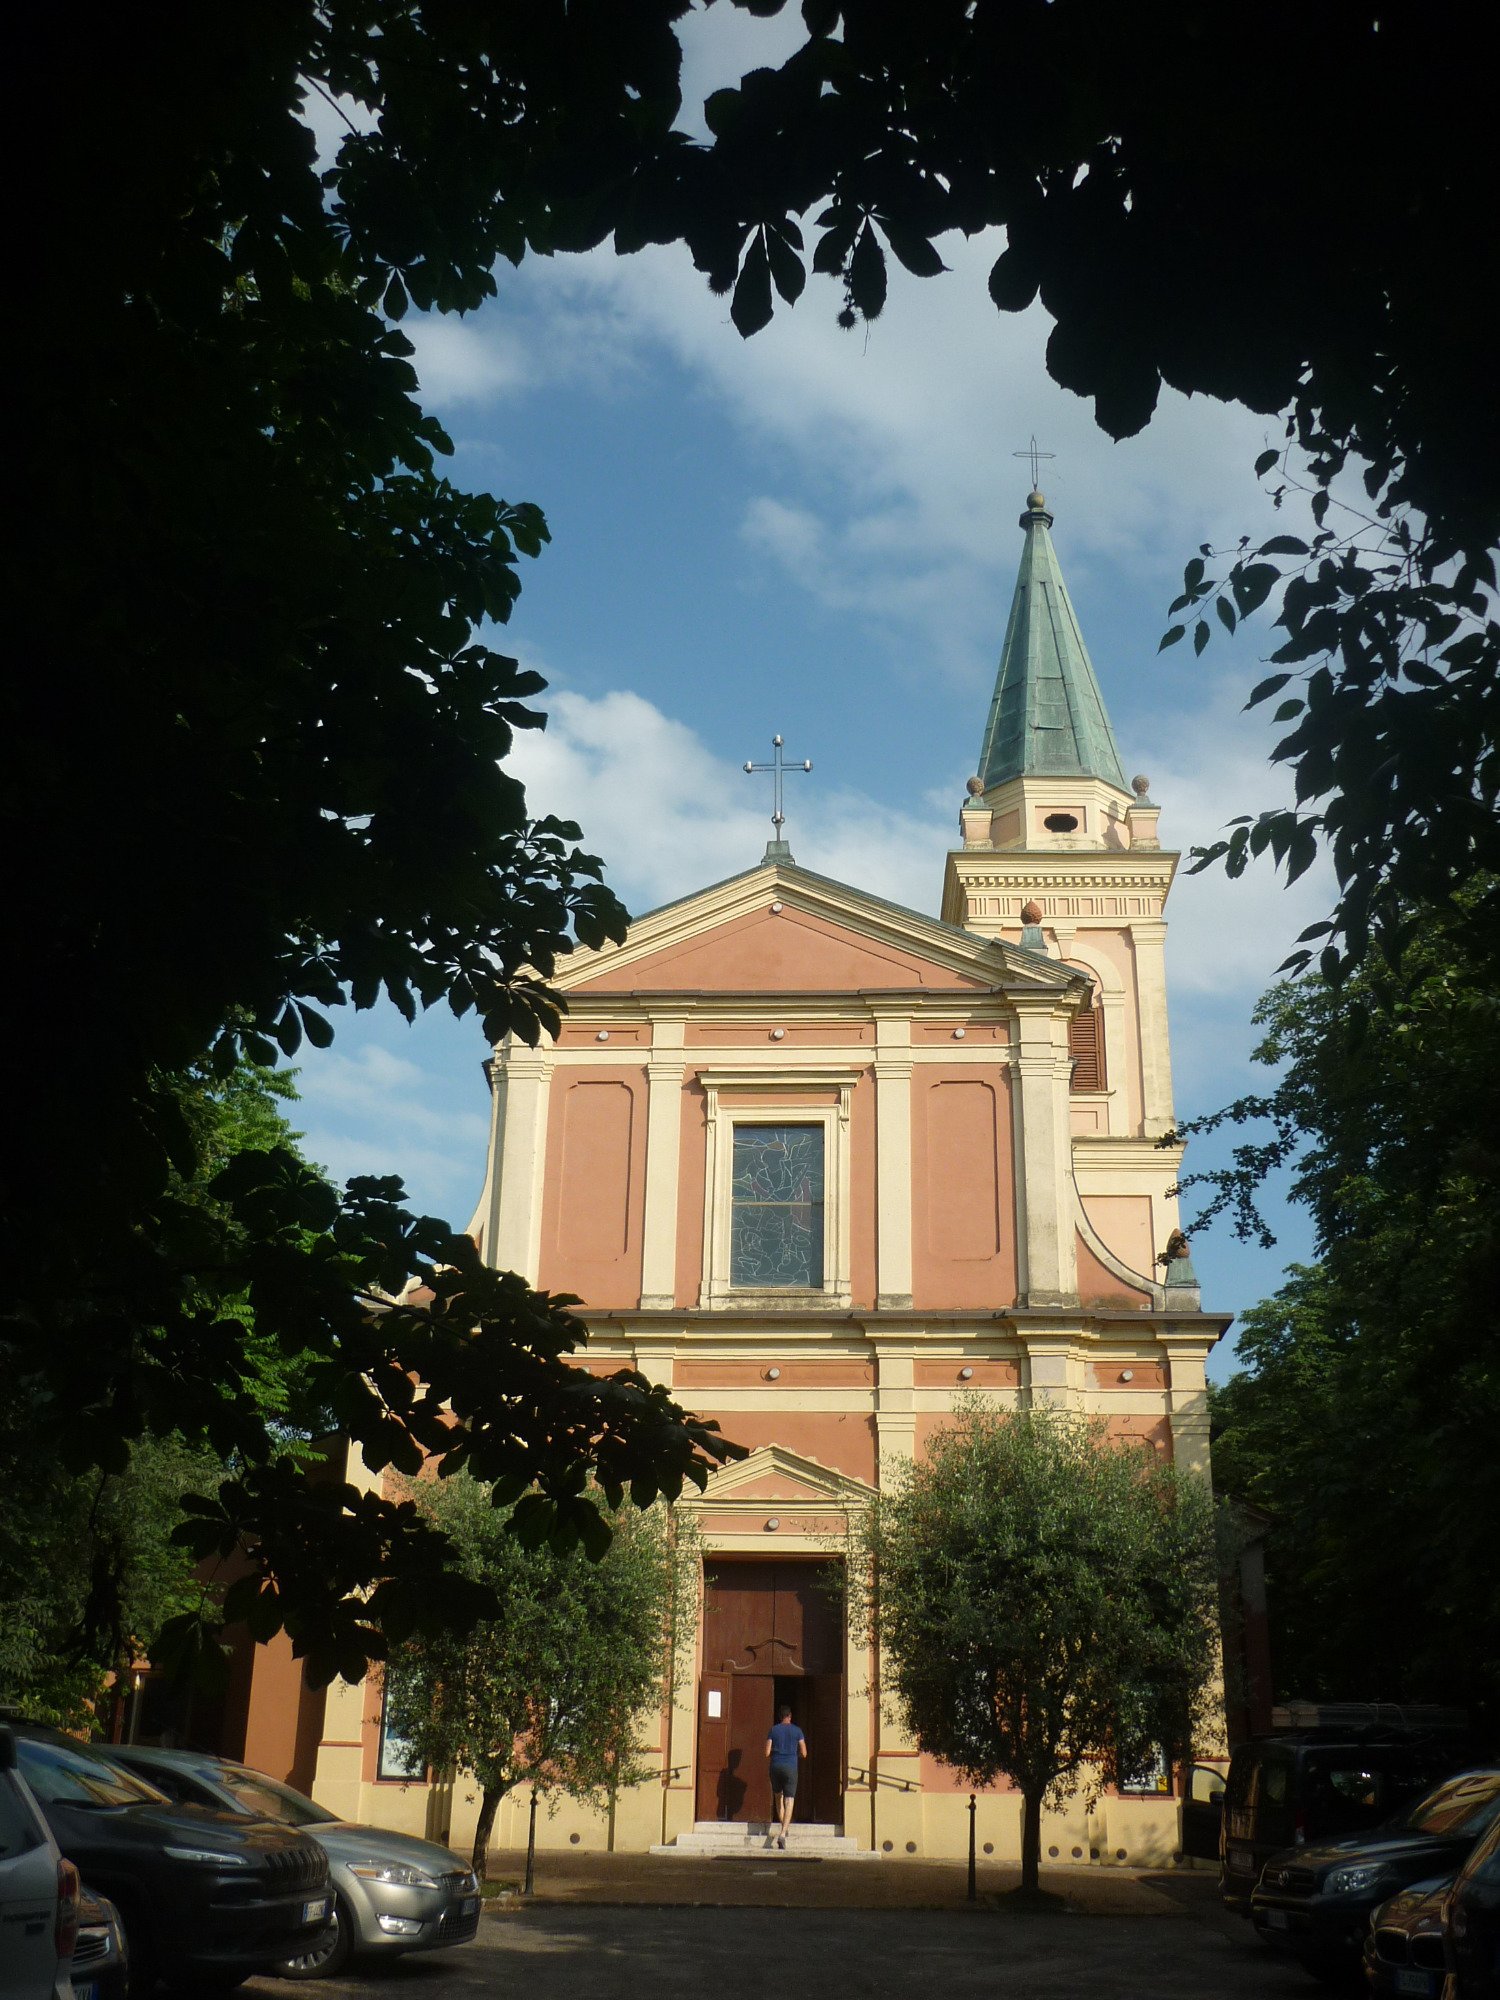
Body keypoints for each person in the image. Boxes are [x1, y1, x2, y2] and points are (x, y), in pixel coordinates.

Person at [765, 1703, 807, 1849]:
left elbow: (767, 1752)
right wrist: (795, 1756)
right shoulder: (797, 1731)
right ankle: (783, 1833)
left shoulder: (773, 1730)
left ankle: (785, 1827)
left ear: (779, 1716)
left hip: (775, 1766)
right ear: (790, 1716)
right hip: (790, 1767)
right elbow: (804, 1752)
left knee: (778, 1797)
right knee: (789, 1800)